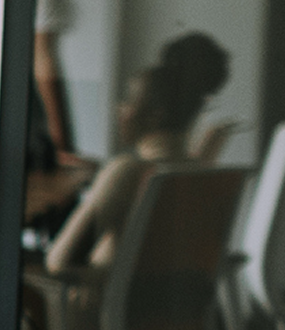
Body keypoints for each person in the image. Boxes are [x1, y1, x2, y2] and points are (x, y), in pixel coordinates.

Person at [44, 32, 232, 277]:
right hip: (169, 313)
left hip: (99, 309)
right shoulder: (202, 173)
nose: (120, 108)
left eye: (129, 100)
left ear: (156, 115)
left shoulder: (125, 171)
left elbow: (59, 263)